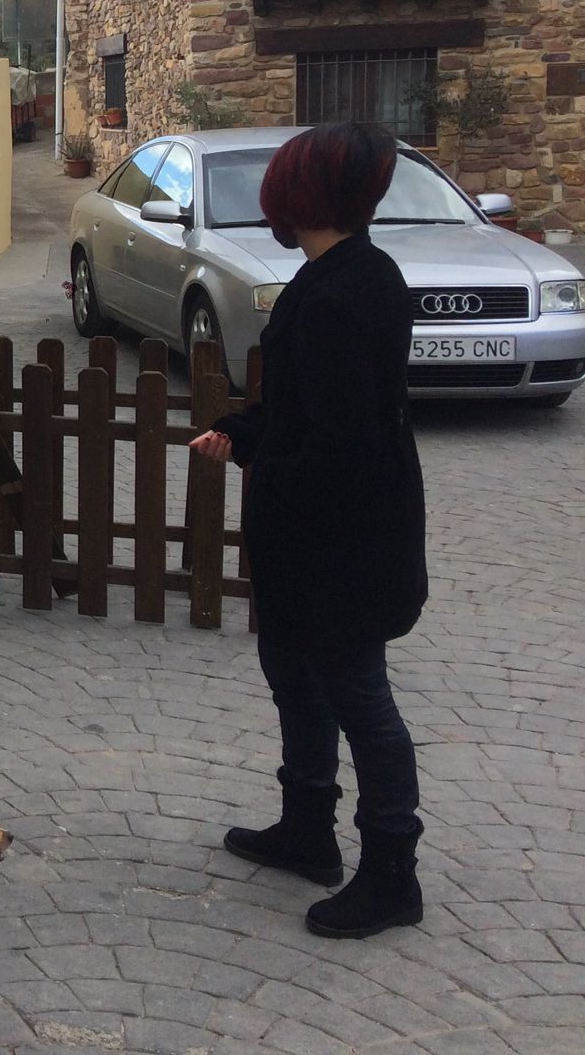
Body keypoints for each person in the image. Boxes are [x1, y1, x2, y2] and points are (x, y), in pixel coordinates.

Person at [189, 122, 427, 940]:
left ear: (301, 197)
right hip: (319, 541)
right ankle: (308, 829)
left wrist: (273, 478)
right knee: (296, 676)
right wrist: (245, 431)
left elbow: (342, 444)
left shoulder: (338, 294)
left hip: (341, 547)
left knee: (359, 697)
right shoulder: (344, 275)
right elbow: (305, 413)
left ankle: (393, 871)